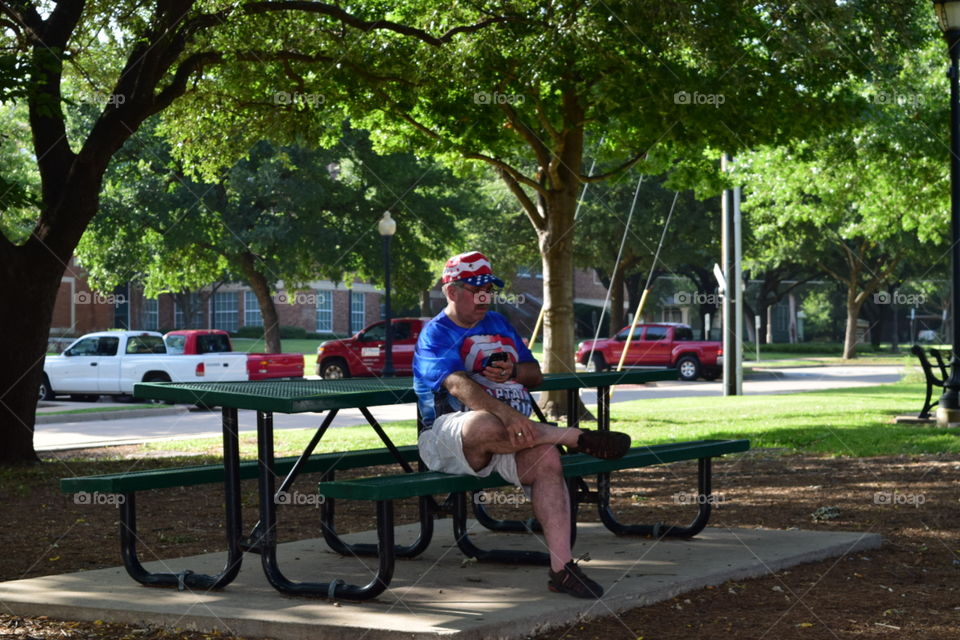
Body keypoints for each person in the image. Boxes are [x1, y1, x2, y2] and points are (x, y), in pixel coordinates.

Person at [413, 251, 632, 599]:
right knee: (484, 422)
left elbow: (535, 373)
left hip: (513, 436)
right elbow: (456, 384)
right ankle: (576, 437)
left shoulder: (499, 325)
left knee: (547, 457)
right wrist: (508, 414)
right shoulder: (435, 333)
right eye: (475, 288)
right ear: (451, 291)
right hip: (447, 440)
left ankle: (562, 569)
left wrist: (513, 372)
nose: (484, 296)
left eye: (488, 288)